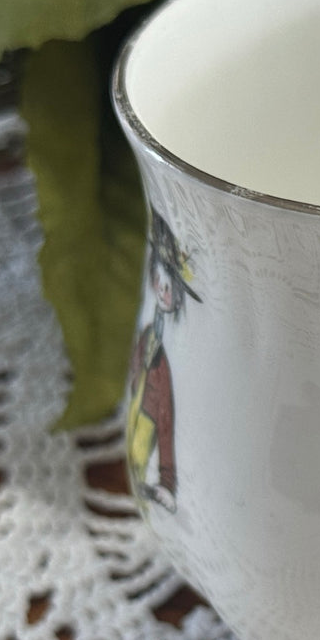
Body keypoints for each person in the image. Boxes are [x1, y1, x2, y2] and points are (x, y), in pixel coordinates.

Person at [126, 214, 200, 512]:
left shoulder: (163, 364)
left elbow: (167, 420)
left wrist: (167, 482)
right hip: (138, 416)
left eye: (170, 289)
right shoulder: (149, 337)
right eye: (160, 284)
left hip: (148, 423)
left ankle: (163, 485)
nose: (163, 293)